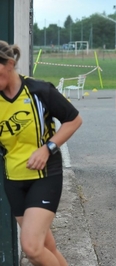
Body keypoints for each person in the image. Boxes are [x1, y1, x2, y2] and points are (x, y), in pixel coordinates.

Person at [0, 40, 82, 266]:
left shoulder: (38, 90)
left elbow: (74, 120)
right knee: (46, 248)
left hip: (45, 177)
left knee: (32, 248)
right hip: (14, 180)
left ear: (9, 64)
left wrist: (48, 148)